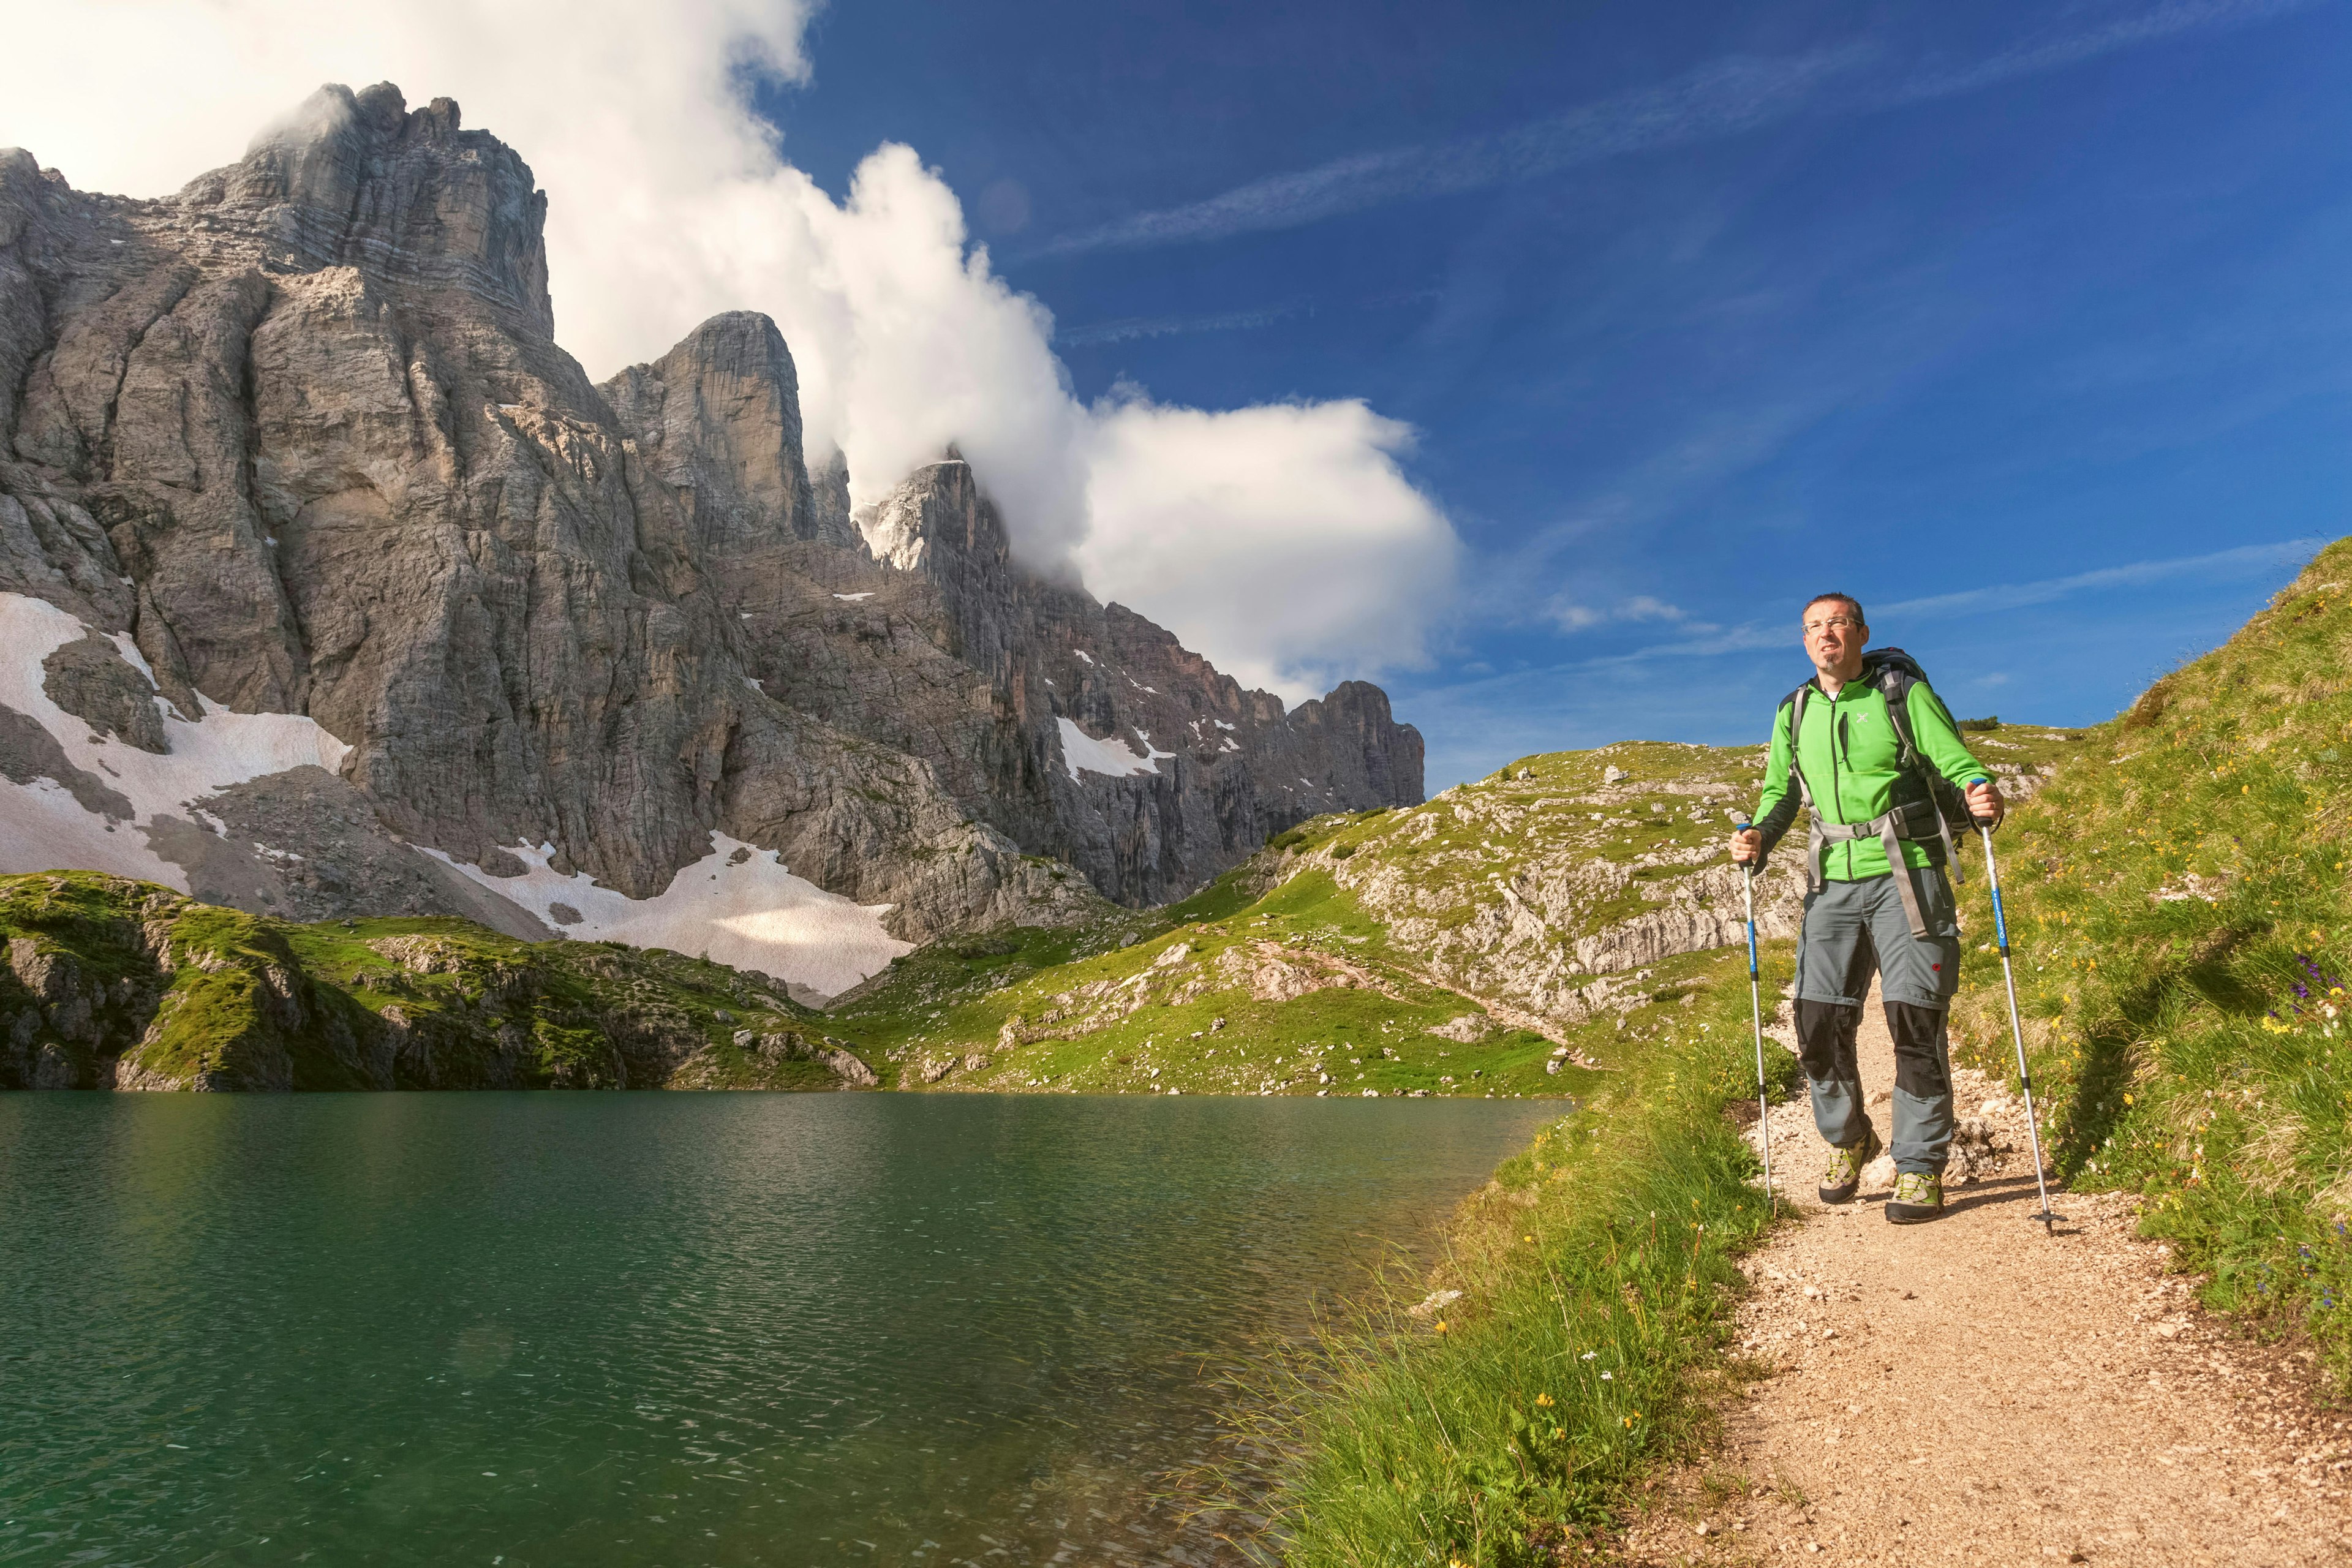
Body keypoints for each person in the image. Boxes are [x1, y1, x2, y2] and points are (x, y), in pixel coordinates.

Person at [1729, 594, 2002, 1224]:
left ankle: (1919, 1165)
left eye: (1839, 623)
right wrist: (1757, 840)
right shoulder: (1792, 712)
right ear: (1804, 642)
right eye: (1815, 626)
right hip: (1832, 884)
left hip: (1907, 873)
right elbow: (1779, 794)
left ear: (1861, 633)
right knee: (1817, 1022)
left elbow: (1956, 761)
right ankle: (1850, 1140)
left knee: (1914, 1017)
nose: (1827, 634)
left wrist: (1979, 791)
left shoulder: (1901, 694)